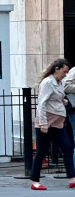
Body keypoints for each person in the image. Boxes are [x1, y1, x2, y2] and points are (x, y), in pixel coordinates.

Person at [30, 58, 75, 191]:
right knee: (41, 152)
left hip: (58, 122)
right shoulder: (48, 82)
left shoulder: (59, 82)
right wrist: (43, 123)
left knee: (67, 147)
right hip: (47, 122)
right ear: (57, 69)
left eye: (67, 72)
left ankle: (72, 178)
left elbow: (57, 97)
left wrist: (64, 101)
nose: (65, 74)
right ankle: (35, 181)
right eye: (64, 71)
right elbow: (42, 103)